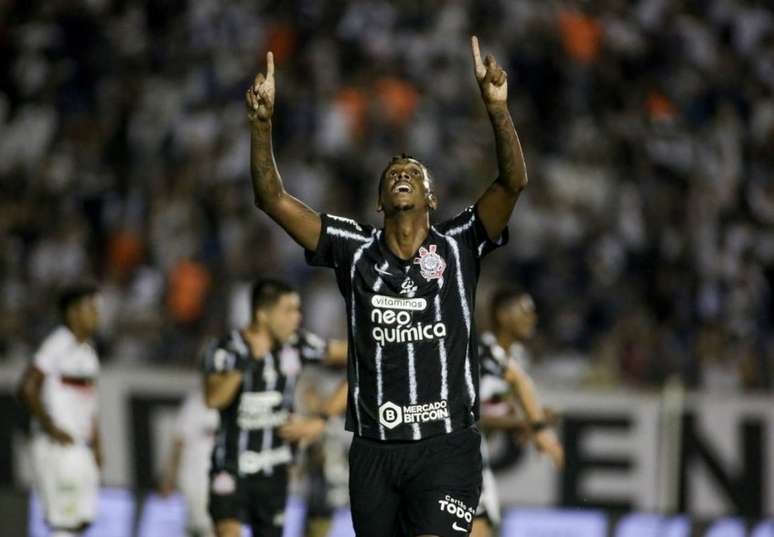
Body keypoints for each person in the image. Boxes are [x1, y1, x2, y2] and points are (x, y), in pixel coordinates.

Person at [246, 34, 542, 537]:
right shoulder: (353, 247)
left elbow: (512, 183)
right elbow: (272, 200)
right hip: (373, 451)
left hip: (445, 445)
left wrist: (497, 110)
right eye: (392, 174)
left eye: (412, 172)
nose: (401, 174)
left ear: (431, 195)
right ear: (381, 202)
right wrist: (261, 126)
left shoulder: (460, 242)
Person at [203, 278, 346, 537]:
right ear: (263, 315)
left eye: (298, 310)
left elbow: (352, 354)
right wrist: (247, 363)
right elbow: (214, 399)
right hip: (231, 469)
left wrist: (321, 418)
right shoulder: (226, 349)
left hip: (275, 472)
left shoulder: (296, 345)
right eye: (289, 310)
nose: (297, 317)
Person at [472, 287, 564, 537]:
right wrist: (526, 425)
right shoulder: (483, 355)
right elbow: (467, 416)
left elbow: (496, 404)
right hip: (461, 461)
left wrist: (531, 419)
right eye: (525, 310)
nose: (532, 317)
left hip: (477, 461)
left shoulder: (516, 357)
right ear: (502, 315)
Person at [17, 284, 102, 537]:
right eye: (91, 308)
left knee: (81, 521)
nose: (97, 314)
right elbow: (27, 387)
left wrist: (98, 444)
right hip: (59, 446)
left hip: (81, 446)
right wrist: (51, 428)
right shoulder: (58, 344)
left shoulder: (88, 352)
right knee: (63, 523)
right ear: (73, 313)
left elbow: (91, 403)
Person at [159, 387, 220, 537]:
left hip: (222, 484)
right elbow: (179, 442)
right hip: (196, 482)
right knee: (206, 529)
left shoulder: (233, 401)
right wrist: (169, 478)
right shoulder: (194, 404)